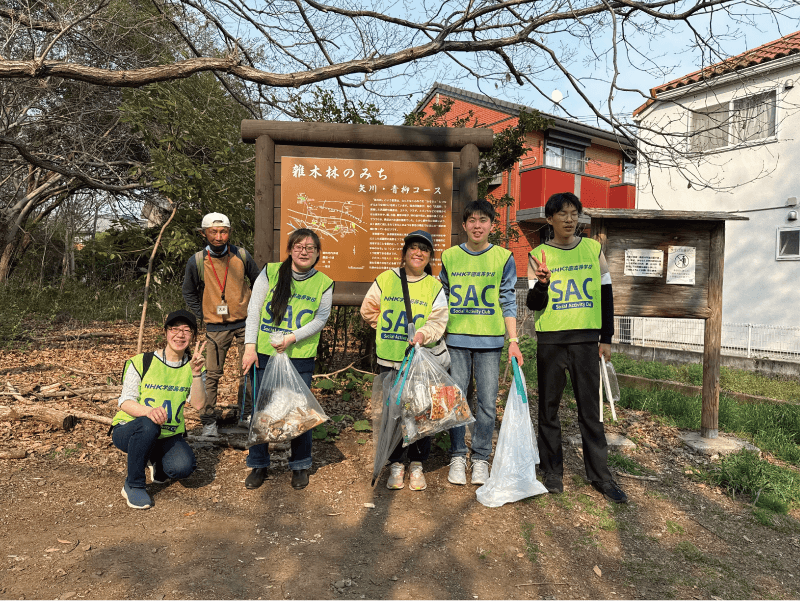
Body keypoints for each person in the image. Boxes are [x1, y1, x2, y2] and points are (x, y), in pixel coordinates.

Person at [526, 192, 627, 503]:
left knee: (591, 411)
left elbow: (606, 295)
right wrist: (542, 283)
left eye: (574, 214)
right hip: (551, 340)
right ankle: (552, 471)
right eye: (562, 214)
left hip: (586, 341)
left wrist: (606, 337)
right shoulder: (538, 254)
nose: (569, 220)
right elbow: (533, 304)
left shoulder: (593, 250)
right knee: (548, 409)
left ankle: (600, 475)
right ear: (550, 219)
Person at [241, 228, 334, 490]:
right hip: (265, 353)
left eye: (310, 248)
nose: (304, 251)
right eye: (299, 246)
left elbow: (321, 318)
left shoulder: (324, 282)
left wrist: (292, 337)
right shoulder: (270, 272)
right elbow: (254, 310)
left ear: (317, 253)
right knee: (262, 410)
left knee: (301, 412)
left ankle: (300, 464)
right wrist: (249, 347)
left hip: (299, 356)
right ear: (290, 249)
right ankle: (259, 463)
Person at [440, 199, 524, 486]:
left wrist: (513, 340)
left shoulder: (503, 257)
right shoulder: (450, 256)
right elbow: (441, 298)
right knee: (456, 400)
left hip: (490, 341)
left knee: (487, 403)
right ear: (464, 225)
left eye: (483, 220)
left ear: (491, 225)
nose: (478, 226)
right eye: (472, 220)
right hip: (456, 340)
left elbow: (508, 299)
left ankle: (480, 458)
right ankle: (457, 454)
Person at [360, 230, 448, 491]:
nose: (418, 252)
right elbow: (368, 309)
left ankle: (417, 463)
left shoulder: (433, 286)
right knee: (393, 414)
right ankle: (397, 463)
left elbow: (438, 321)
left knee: (421, 413)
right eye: (413, 247)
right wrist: (386, 329)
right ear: (405, 252)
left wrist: (422, 335)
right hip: (390, 359)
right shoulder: (386, 279)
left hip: (418, 360)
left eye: (424, 249)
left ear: (430, 256)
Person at [111, 310, 207, 510]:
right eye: (175, 329)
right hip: (130, 429)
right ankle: (134, 484)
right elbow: (125, 402)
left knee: (183, 467)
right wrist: (148, 412)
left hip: (167, 434)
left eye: (186, 330)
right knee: (148, 425)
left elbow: (199, 404)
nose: (180, 335)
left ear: (193, 336)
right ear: (165, 332)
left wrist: (196, 373)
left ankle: (154, 459)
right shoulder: (142, 361)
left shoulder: (194, 366)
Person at [182, 212, 260, 437]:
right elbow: (189, 291)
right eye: (213, 232)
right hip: (215, 326)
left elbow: (258, 282)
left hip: (245, 323)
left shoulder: (241, 255)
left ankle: (246, 416)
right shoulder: (197, 261)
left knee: (248, 370)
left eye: (223, 232)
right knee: (212, 375)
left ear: (229, 232)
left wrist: (254, 309)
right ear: (203, 234)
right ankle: (208, 422)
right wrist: (203, 314)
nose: (218, 236)